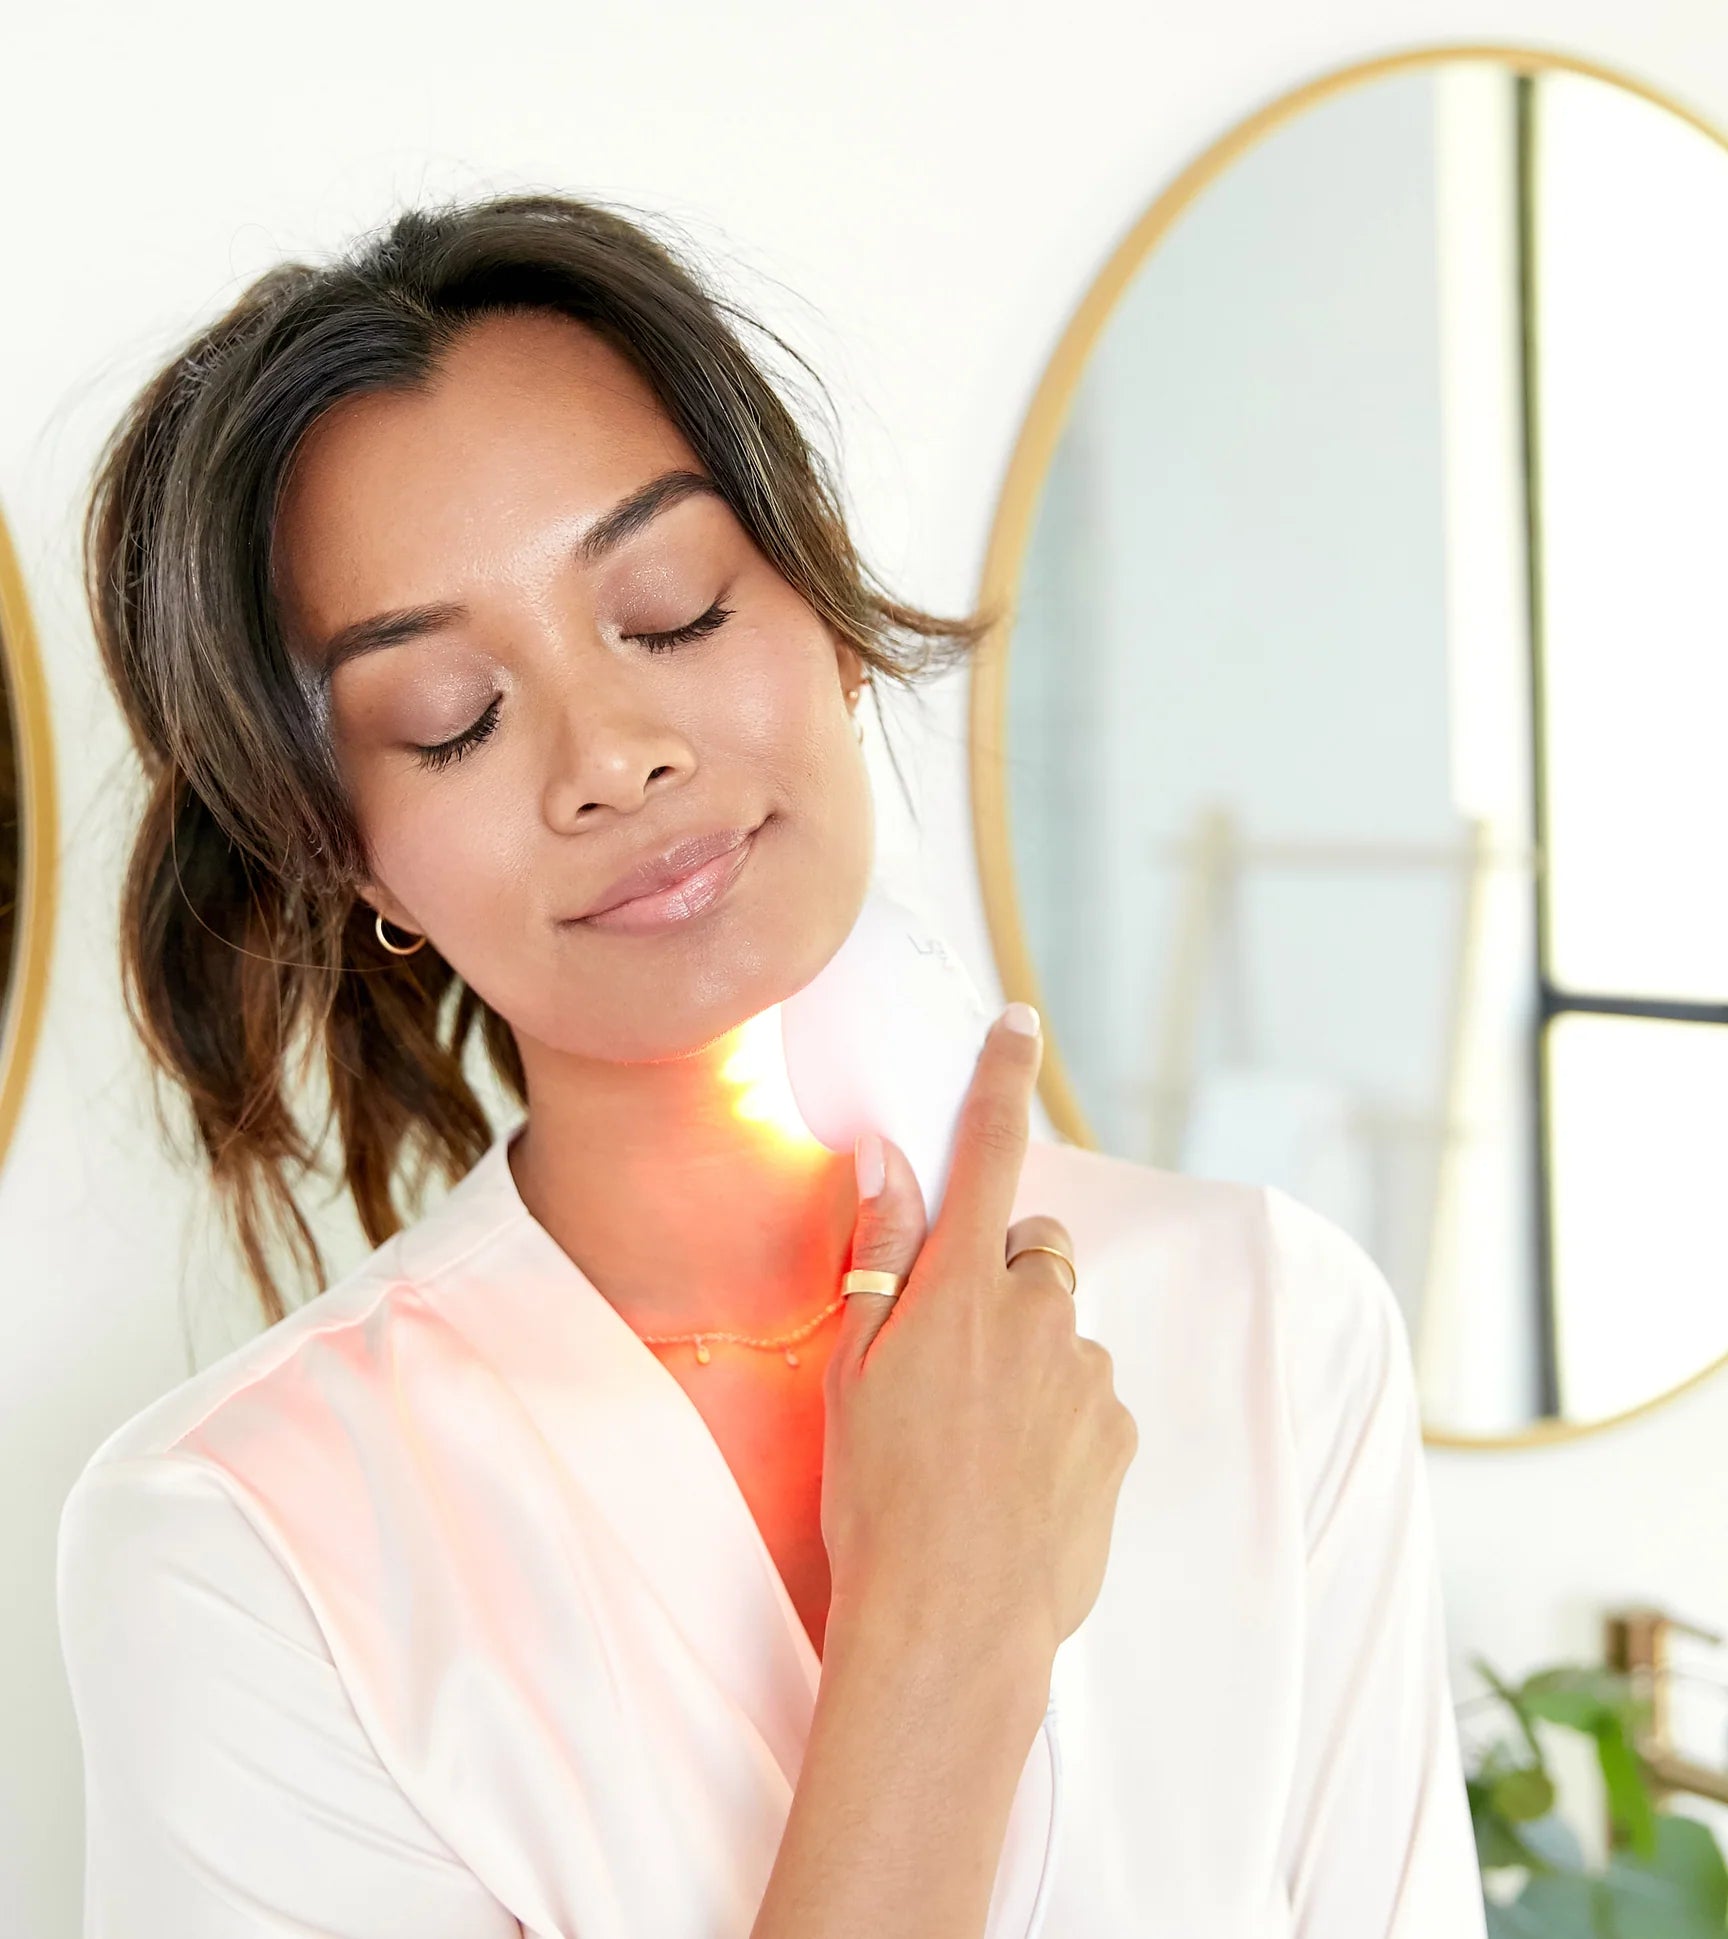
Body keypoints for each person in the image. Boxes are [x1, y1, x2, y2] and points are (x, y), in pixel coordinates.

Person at [55, 192, 1486, 1938]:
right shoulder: (239, 1541)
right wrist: (943, 1629)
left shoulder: (1267, 1324)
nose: (614, 755)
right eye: (452, 717)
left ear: (823, 609)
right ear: (353, 857)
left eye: (670, 611)